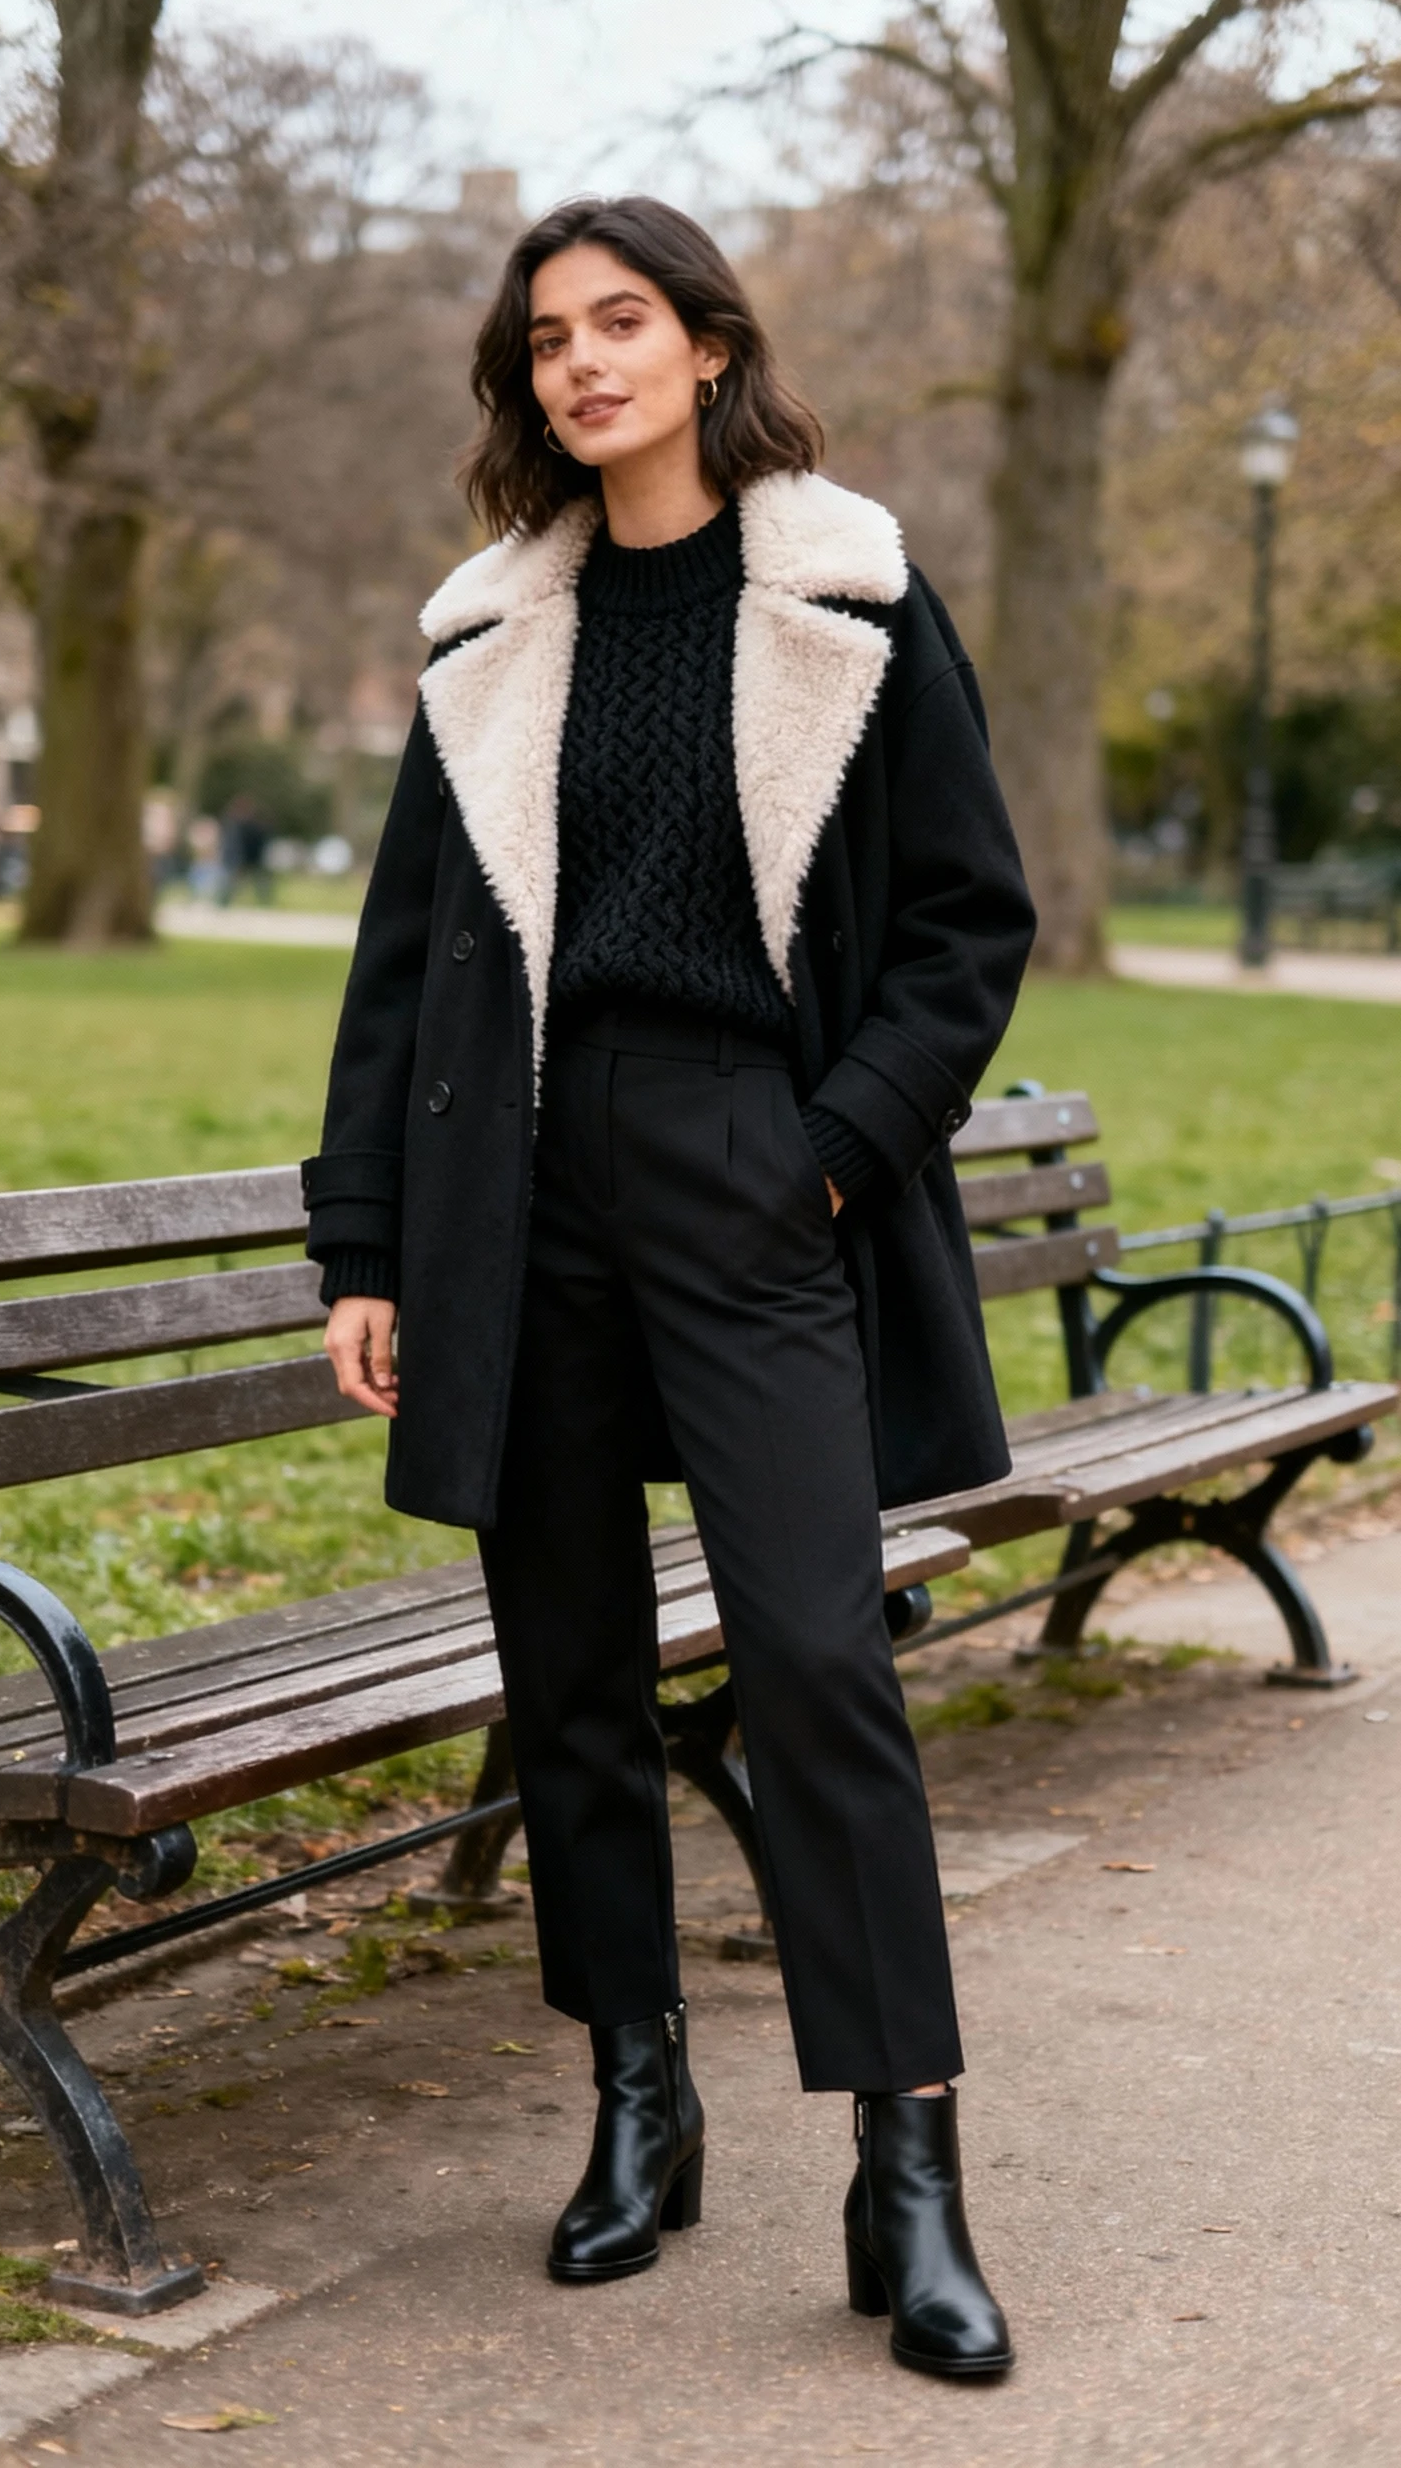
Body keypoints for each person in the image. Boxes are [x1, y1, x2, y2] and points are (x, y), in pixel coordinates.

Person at [304, 195, 1035, 2380]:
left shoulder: (850, 593)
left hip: (752, 1165)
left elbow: (963, 928)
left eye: (621, 323)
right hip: (518, 1193)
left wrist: (829, 1150)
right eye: (546, 340)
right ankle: (642, 2094)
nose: (582, 365)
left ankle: (909, 2169)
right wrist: (362, 1241)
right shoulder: (488, 637)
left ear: (710, 345)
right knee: (576, 1677)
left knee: (821, 1655)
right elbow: (401, 961)